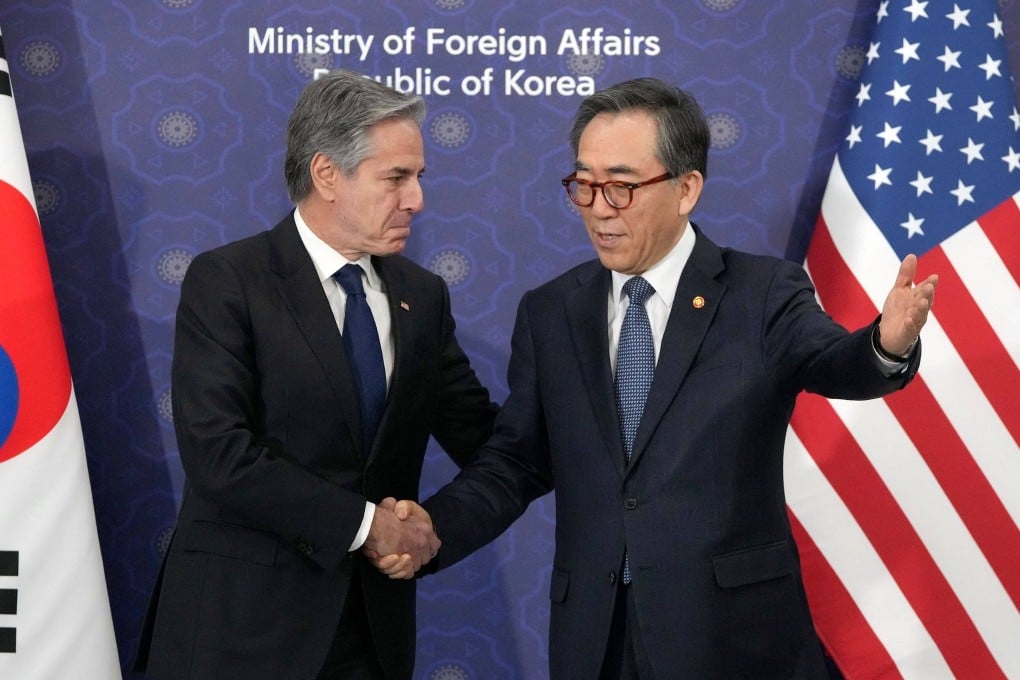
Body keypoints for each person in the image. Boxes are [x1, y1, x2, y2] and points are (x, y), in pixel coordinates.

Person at [371, 77, 937, 678]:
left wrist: (886, 343)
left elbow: (835, 363)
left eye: (620, 187)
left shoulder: (761, 293)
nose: (597, 208)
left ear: (687, 188)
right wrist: (433, 529)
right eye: (583, 185)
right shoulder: (551, 311)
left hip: (733, 639)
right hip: (597, 640)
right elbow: (517, 461)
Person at [134, 69, 498, 680]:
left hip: (369, 636)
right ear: (328, 174)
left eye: (418, 177)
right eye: (396, 178)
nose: (416, 200)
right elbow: (220, 454)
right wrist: (368, 526)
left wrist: (432, 531)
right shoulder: (230, 281)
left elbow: (486, 440)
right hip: (240, 633)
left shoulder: (423, 296)